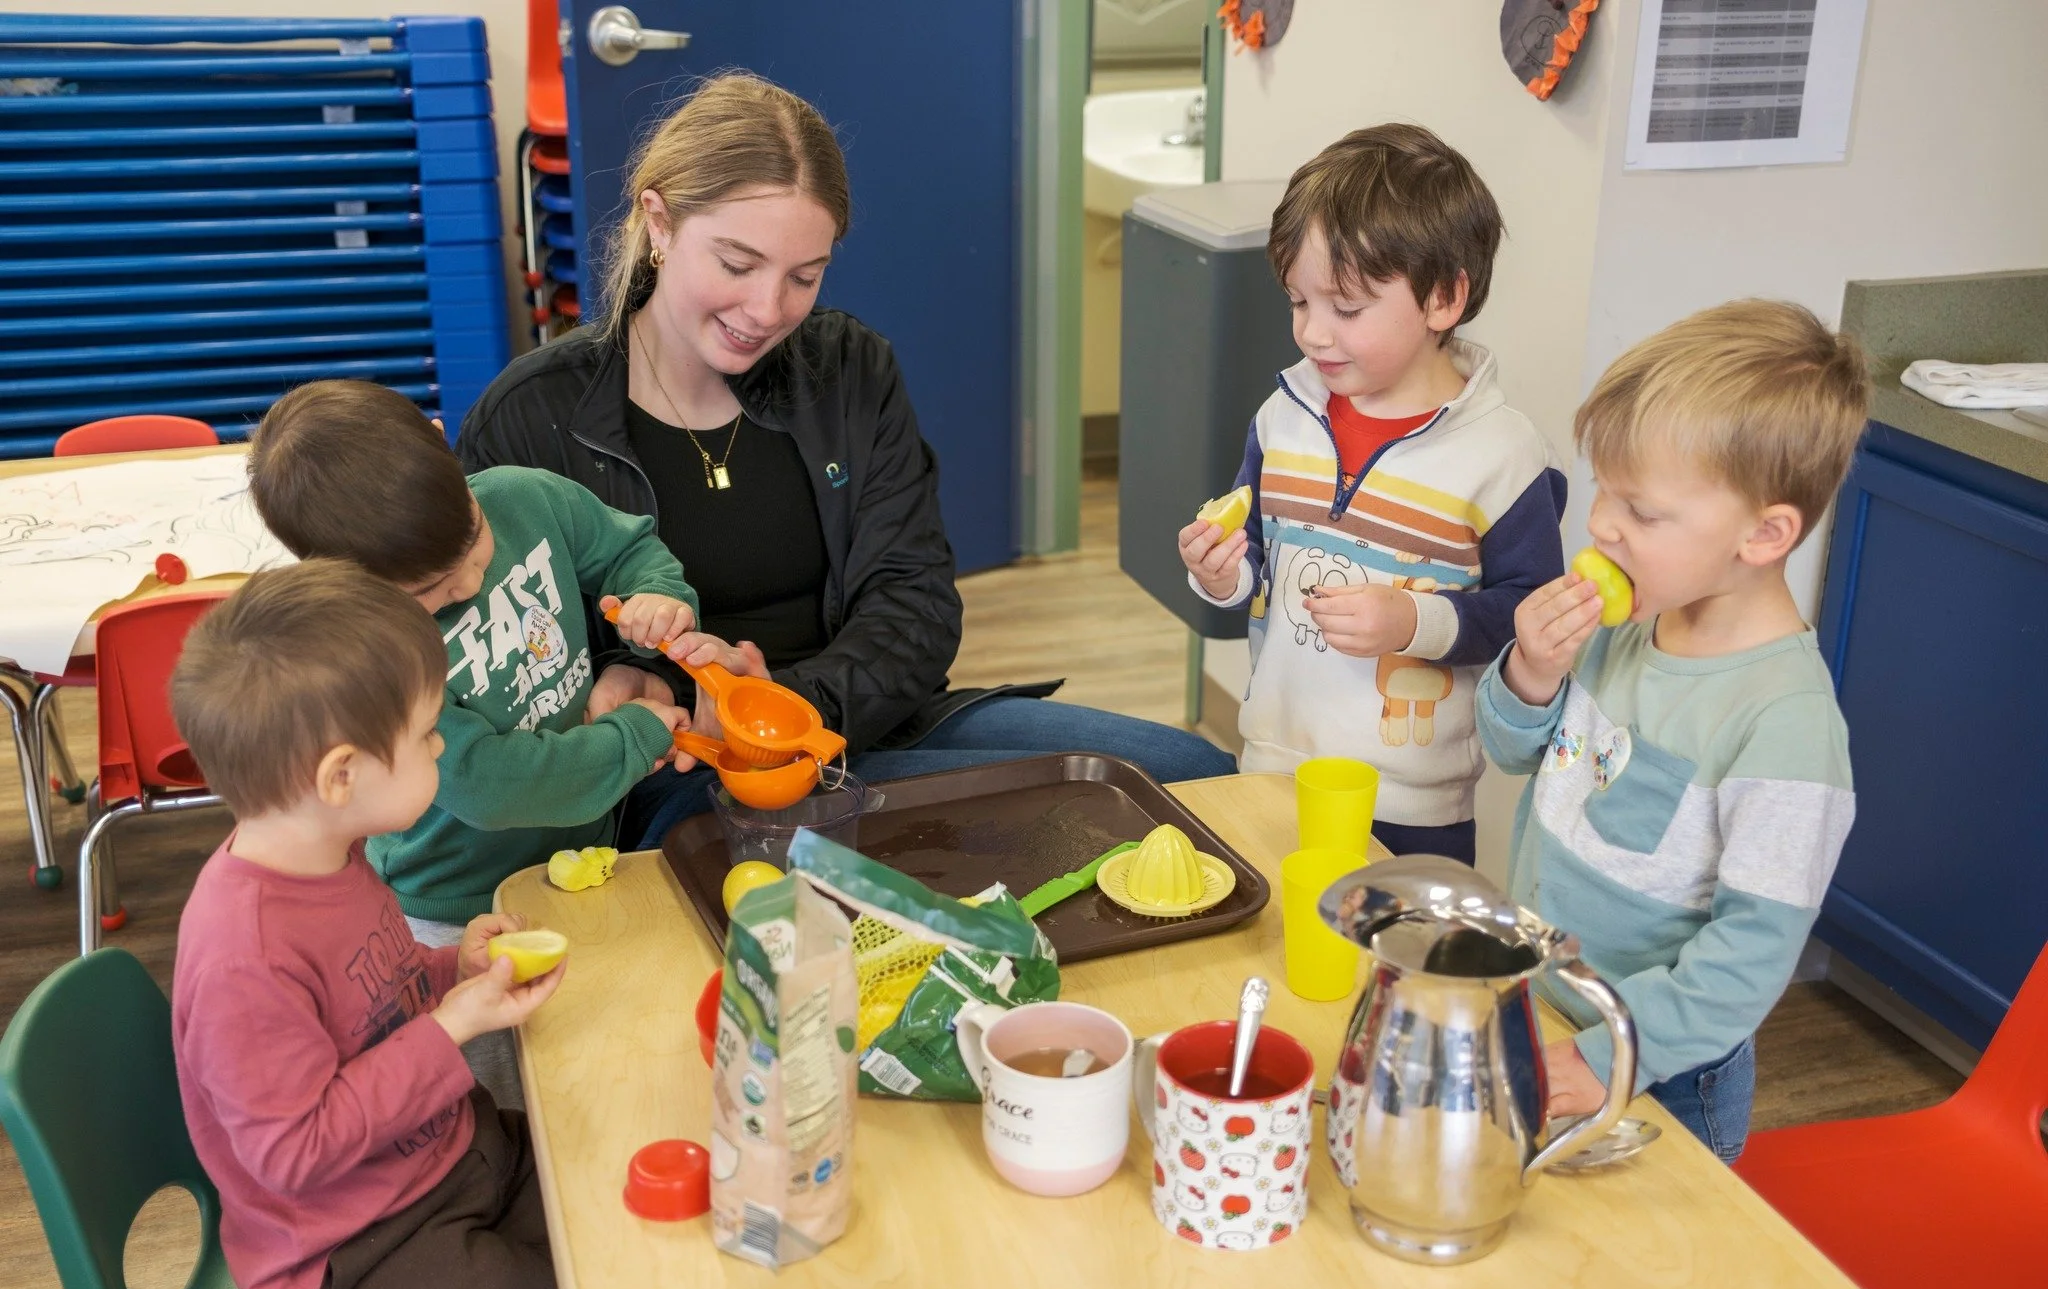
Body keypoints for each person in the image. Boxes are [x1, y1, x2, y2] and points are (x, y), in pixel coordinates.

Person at [451, 72, 1234, 850]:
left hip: (860, 724)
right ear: (658, 222)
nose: (768, 311)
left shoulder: (850, 368)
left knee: (1201, 775)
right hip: (673, 774)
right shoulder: (531, 420)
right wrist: (635, 696)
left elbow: (917, 607)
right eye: (736, 263)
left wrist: (790, 704)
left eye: (804, 276)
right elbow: (483, 684)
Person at [1476, 299, 1869, 1160]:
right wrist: (1531, 674)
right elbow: (1510, 753)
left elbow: (1748, 958)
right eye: (1604, 491)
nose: (1600, 524)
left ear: (1764, 534)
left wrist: (1609, 1053)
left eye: (1641, 511)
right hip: (1541, 1006)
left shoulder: (1787, 726)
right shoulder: (1624, 628)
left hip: (1662, 1072)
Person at [247, 378, 695, 1103]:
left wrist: (659, 599)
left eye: (474, 536)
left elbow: (628, 549)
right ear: (337, 578)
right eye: (432, 587)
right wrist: (632, 742)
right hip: (452, 909)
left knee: (594, 1067)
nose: (472, 577)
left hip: (583, 848)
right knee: (503, 1103)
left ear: (440, 441)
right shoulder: (373, 652)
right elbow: (487, 782)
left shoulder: (525, 495)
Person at [169, 561, 569, 1289]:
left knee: (608, 1218)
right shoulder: (241, 954)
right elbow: (293, 1151)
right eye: (426, 732)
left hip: (452, 1161)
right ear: (341, 774)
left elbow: (373, 996)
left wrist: (452, 967)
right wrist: (452, 1028)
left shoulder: (334, 852)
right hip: (356, 1250)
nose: (441, 741)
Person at [1178, 125, 1564, 865]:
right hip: (1270, 768)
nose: (1314, 334)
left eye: (1346, 308)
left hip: (1413, 805)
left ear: (1444, 297)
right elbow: (1255, 556)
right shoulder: (1281, 416)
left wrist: (1414, 621)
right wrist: (1224, 574)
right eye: (1299, 302)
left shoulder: (1506, 457)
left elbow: (1527, 617)